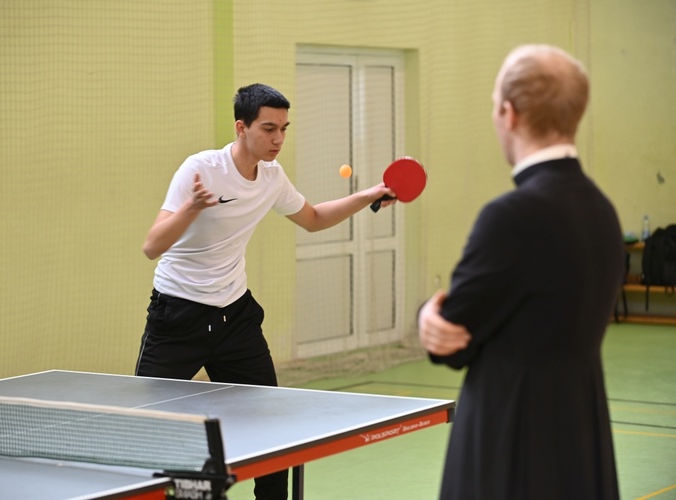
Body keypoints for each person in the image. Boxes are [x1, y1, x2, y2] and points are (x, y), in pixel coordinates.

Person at [135, 83, 396, 500]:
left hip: (234, 317)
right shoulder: (201, 168)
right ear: (242, 127)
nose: (278, 139)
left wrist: (368, 195)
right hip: (178, 317)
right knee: (145, 426)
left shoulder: (272, 178)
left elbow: (311, 218)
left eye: (284, 129)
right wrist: (193, 207)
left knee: (272, 429)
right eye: (269, 128)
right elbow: (153, 246)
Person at [417, 45, 622, 499]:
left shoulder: (513, 216)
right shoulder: (601, 209)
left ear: (508, 113)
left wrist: (427, 317)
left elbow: (453, 342)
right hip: (580, 434)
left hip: (512, 440)